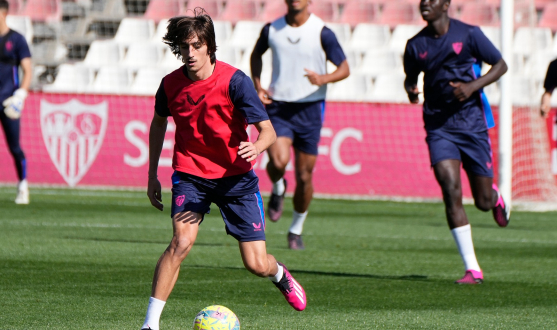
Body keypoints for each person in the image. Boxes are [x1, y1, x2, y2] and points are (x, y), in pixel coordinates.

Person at [140, 11, 306, 330]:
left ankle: (279, 275)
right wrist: (151, 176)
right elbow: (159, 122)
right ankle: (150, 324)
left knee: (256, 264)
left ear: (209, 47)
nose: (189, 53)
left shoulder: (235, 82)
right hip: (190, 176)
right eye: (183, 46)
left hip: (236, 180)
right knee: (181, 242)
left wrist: (256, 147)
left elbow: (268, 131)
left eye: (196, 45)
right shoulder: (170, 85)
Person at [403, 0, 510, 284]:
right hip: (439, 126)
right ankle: (472, 268)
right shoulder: (415, 45)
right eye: (422, 0)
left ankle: (495, 197)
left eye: (432, 0)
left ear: (446, 5)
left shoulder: (469, 34)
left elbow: (501, 64)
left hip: (472, 124)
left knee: (483, 202)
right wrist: (411, 90)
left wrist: (473, 86)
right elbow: (410, 78)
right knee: (450, 188)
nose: (425, 4)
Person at [250, 0, 350, 250]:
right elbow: (256, 55)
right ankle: (278, 185)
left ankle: (295, 230)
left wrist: (323, 78)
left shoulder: (322, 31)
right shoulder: (272, 29)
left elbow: (345, 68)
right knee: (278, 162)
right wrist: (257, 85)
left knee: (305, 176)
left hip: (310, 109)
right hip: (278, 107)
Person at [0, 0, 32, 204]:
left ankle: (23, 186)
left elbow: (27, 70)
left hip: (8, 102)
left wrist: (20, 95)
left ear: (4, 12)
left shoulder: (17, 39)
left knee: (14, 147)